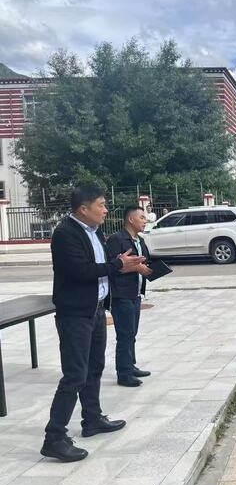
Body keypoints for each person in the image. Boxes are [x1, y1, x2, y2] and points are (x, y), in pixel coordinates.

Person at [41, 185, 146, 463]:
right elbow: (80, 271)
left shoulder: (95, 231)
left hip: (96, 310)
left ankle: (92, 418)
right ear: (83, 209)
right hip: (76, 314)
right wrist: (118, 265)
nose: (106, 210)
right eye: (101, 205)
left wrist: (124, 265)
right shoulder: (65, 234)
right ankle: (54, 437)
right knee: (75, 375)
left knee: (95, 368)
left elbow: (103, 266)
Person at [106, 206, 154, 387]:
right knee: (125, 335)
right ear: (131, 219)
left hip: (135, 293)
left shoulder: (140, 240)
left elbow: (145, 261)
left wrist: (149, 269)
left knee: (132, 333)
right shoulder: (117, 239)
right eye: (142, 217)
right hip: (121, 295)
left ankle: (130, 365)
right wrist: (136, 267)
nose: (145, 221)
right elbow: (112, 266)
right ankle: (124, 374)